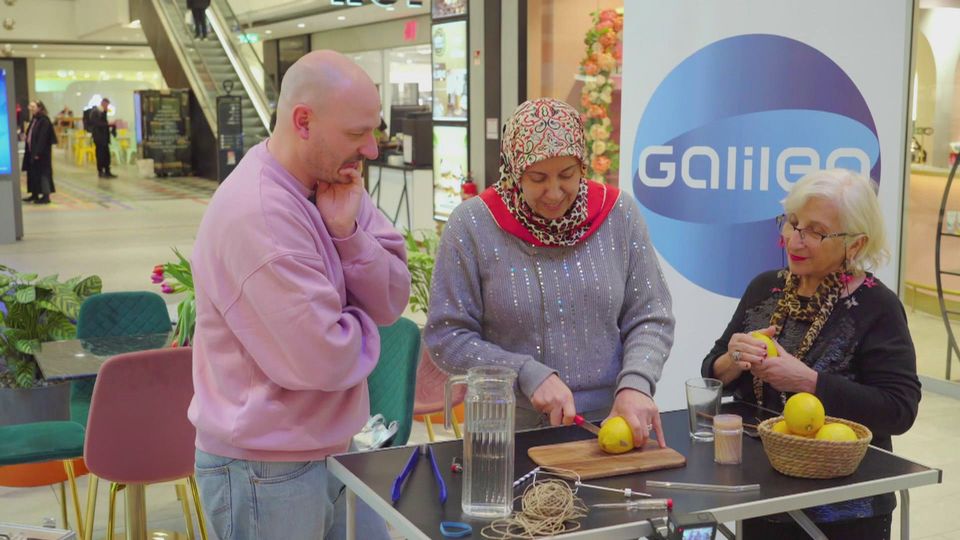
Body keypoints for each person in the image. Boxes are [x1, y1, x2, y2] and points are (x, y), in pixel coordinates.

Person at [188, 50, 410, 540]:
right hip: (266, 469)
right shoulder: (260, 216)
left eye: (372, 131)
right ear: (303, 122)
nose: (372, 149)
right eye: (357, 134)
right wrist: (358, 314)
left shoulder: (334, 184)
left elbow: (393, 298)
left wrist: (347, 233)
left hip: (334, 446)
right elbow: (325, 358)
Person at [424, 98, 675, 448]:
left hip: (609, 426)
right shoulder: (473, 226)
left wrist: (636, 383)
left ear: (582, 167)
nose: (555, 193)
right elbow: (446, 336)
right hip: (506, 434)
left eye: (567, 175)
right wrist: (523, 372)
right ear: (513, 171)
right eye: (538, 178)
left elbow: (652, 315)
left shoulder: (619, 215)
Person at [701, 169, 921, 539]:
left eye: (815, 232)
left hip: (847, 509)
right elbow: (713, 368)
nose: (794, 240)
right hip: (762, 495)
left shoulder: (876, 305)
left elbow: (899, 410)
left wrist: (808, 382)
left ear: (855, 244)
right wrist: (732, 359)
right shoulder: (766, 288)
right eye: (792, 223)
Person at [21, 101, 56, 204]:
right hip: (32, 152)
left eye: (33, 106)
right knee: (33, 173)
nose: (30, 108)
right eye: (30, 106)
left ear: (39, 108)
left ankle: (46, 196)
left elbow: (43, 138)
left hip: (41, 154)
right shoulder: (35, 119)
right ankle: (34, 194)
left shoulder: (44, 120)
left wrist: (37, 152)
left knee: (43, 174)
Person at [88, 97, 116, 178]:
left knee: (106, 154)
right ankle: (100, 171)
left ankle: (107, 170)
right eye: (106, 105)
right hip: (99, 137)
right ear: (103, 103)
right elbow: (97, 124)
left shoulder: (103, 112)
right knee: (100, 154)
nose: (107, 106)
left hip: (104, 138)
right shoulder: (96, 112)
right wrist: (108, 124)